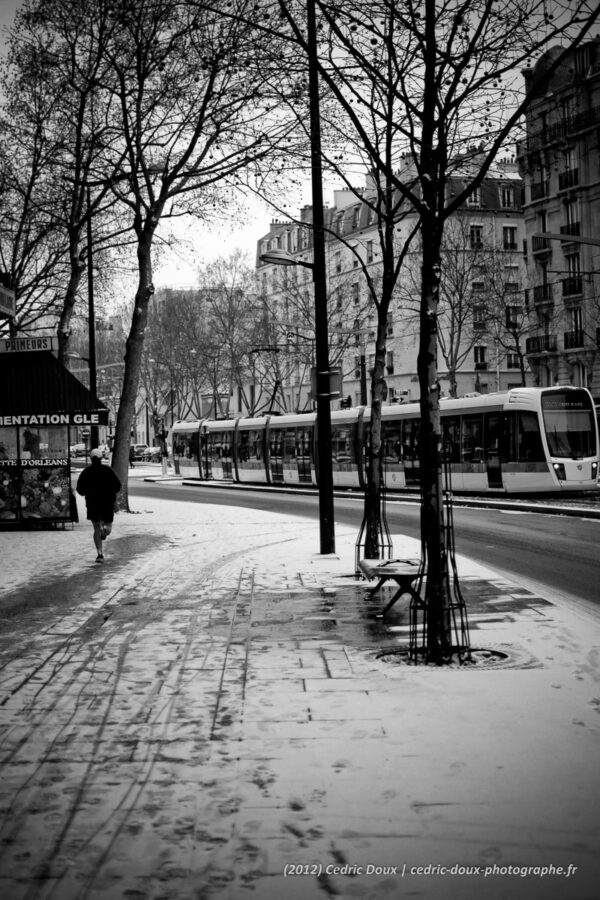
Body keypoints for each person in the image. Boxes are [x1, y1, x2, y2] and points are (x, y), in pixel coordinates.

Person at [76, 448, 121, 562]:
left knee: (96, 529)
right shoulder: (108, 471)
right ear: (101, 458)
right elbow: (118, 486)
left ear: (91, 459)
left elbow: (80, 490)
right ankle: (104, 529)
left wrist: (88, 491)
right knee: (108, 527)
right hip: (107, 503)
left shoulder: (86, 472)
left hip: (92, 503)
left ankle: (100, 554)